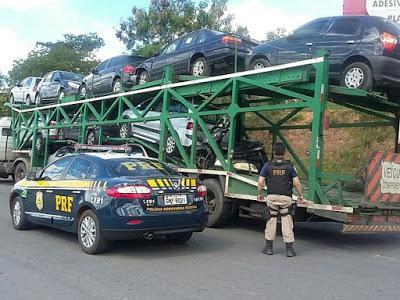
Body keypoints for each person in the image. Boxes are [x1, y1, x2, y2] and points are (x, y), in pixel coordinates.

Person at [257, 142, 304, 257]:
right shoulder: (289, 165)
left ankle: (269, 248)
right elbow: (296, 182)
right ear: (284, 152)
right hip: (285, 198)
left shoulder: (268, 165)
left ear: (273, 152)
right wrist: (300, 195)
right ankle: (289, 249)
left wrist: (260, 193)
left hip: (272, 197)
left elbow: (260, 182)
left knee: (271, 220)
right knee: (287, 221)